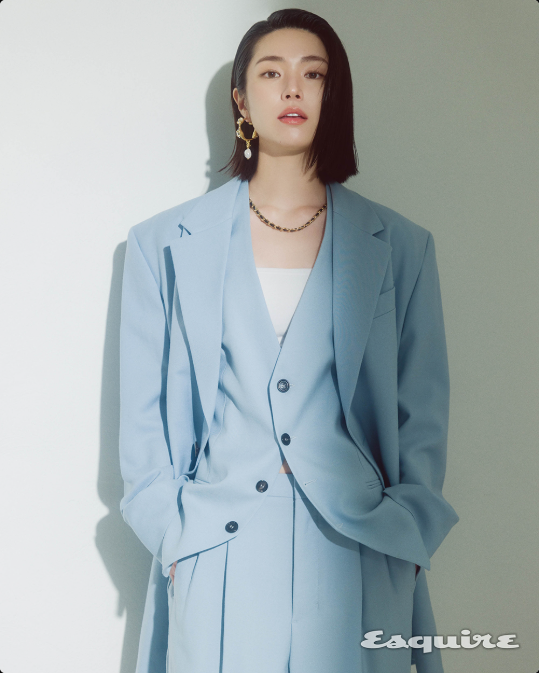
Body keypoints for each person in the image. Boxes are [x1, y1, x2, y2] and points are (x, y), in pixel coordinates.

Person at [118, 8, 459, 673]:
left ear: (335, 96)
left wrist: (408, 529)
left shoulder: (400, 246)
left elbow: (423, 410)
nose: (293, 88)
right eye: (271, 73)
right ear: (242, 100)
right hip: (217, 548)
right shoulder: (162, 245)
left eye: (314, 74)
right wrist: (173, 535)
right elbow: (142, 422)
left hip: (359, 549)